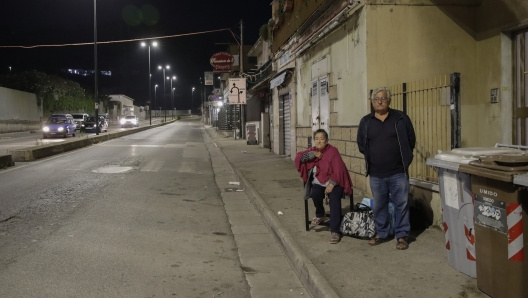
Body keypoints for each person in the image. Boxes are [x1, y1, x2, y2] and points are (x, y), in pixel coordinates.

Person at [357, 87, 416, 250]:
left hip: (398, 172)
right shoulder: (366, 121)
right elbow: (361, 145)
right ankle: (382, 233)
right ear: (372, 102)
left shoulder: (401, 118)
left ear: (389, 100)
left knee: (401, 205)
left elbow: (411, 140)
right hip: (376, 173)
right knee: (379, 205)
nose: (380, 101)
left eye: (383, 98)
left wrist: (405, 159)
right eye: (376, 99)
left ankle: (402, 235)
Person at [295, 129, 353, 244]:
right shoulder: (314, 150)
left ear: (326, 140)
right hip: (320, 182)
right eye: (316, 139)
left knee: (334, 199)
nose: (319, 141)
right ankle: (320, 214)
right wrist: (313, 154)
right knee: (315, 193)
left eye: (322, 139)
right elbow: (299, 158)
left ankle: (335, 231)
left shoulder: (333, 151)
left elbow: (339, 170)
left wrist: (332, 184)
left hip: (335, 182)